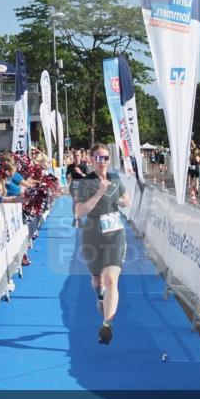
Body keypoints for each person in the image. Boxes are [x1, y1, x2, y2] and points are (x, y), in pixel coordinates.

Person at [73, 144, 131, 345]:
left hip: (115, 233)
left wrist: (124, 201)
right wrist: (99, 192)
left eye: (105, 158)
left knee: (111, 279)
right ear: (91, 159)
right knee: (98, 281)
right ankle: (100, 297)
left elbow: (125, 197)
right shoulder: (86, 183)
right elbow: (80, 211)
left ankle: (107, 325)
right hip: (93, 236)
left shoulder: (115, 178)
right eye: (98, 158)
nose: (102, 161)